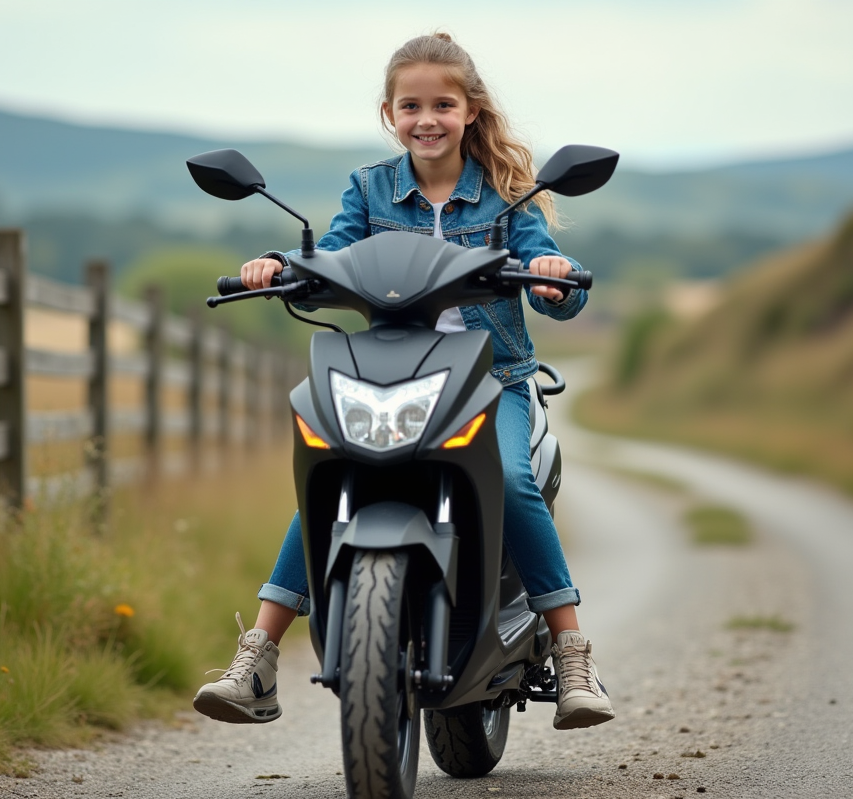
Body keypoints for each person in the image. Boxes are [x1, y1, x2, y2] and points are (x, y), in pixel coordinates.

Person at [193, 32, 615, 732]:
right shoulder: (368, 187)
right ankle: (258, 655)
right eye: (411, 105)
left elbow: (550, 269)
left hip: (491, 378)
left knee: (510, 482)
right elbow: (332, 254)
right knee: (333, 476)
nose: (427, 118)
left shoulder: (509, 195)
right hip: (387, 370)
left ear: (471, 110)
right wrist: (275, 264)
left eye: (443, 104)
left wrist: (553, 279)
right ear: (389, 113)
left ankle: (572, 652)